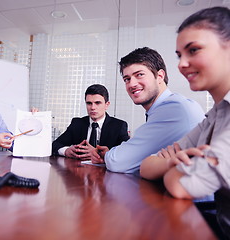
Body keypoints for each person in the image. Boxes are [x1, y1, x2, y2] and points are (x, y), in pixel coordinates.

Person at [139, 7, 230, 238]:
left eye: (194, 50)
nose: (181, 64)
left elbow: (181, 187)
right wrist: (173, 165)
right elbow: (146, 166)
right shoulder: (215, 116)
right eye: (180, 55)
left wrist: (171, 168)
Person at [90, 47, 205, 173]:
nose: (132, 84)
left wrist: (108, 156)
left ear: (160, 76)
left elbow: (118, 162)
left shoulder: (175, 108)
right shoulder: (166, 107)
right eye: (127, 79)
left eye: (139, 75)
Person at [52, 84, 130, 160]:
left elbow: (126, 153)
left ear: (107, 105)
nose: (92, 107)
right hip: (79, 170)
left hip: (105, 171)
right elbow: (55, 145)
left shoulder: (119, 126)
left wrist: (99, 153)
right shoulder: (77, 123)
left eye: (97, 103)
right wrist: (66, 151)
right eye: (89, 103)